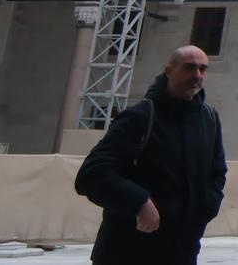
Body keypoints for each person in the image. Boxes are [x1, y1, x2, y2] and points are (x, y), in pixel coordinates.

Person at [74, 46, 227, 265]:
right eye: (189, 68)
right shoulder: (140, 117)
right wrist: (139, 201)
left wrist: (205, 209)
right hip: (127, 251)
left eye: (203, 69)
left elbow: (217, 173)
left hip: (182, 251)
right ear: (168, 70)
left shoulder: (210, 119)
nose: (197, 75)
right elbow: (92, 174)